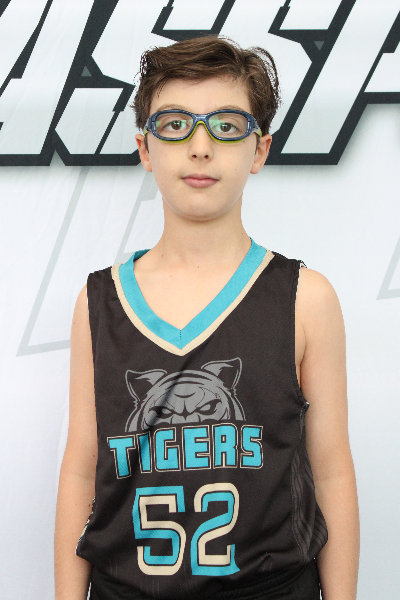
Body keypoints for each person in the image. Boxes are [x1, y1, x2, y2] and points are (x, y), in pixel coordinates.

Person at [54, 36, 360, 600]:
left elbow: (331, 469)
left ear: (259, 150)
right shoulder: (99, 302)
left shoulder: (305, 298)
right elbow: (81, 467)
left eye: (226, 125)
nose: (200, 147)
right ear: (146, 149)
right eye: (175, 125)